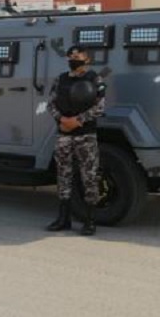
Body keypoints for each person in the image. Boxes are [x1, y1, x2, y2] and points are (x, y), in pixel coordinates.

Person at [46, 45, 106, 236]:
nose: (74, 59)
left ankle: (89, 221)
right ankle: (64, 219)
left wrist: (77, 121)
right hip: (64, 135)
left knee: (89, 176)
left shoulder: (95, 79)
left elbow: (99, 107)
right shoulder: (60, 79)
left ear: (87, 59)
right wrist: (62, 120)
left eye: (78, 56)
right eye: (71, 56)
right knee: (63, 175)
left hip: (85, 135)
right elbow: (51, 104)